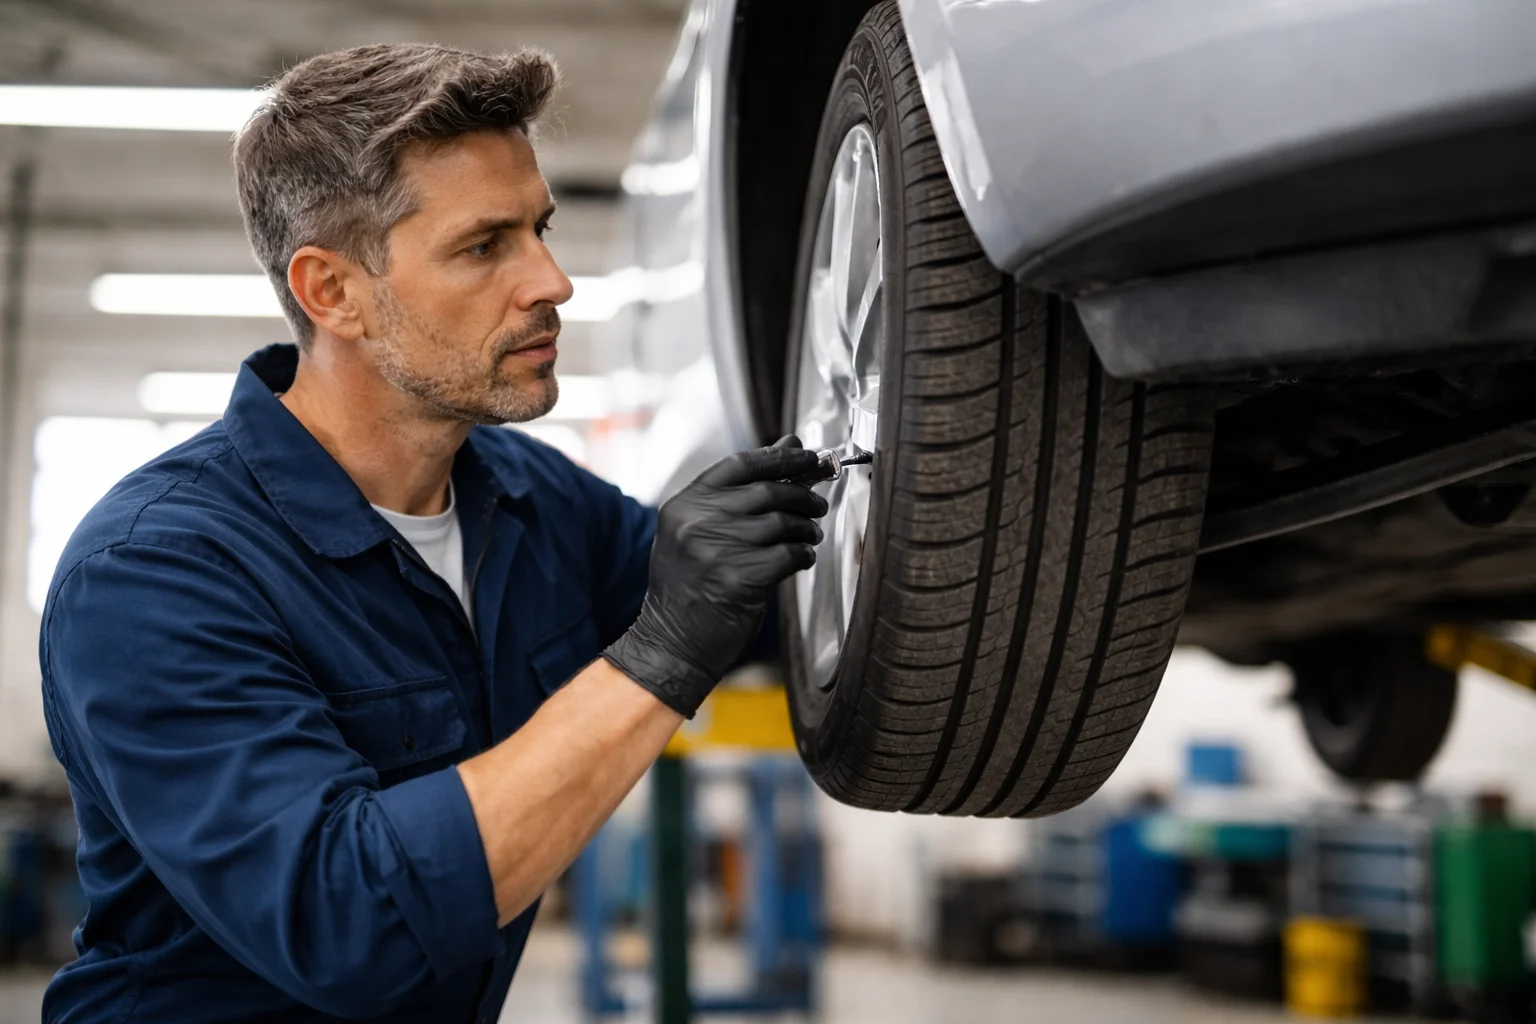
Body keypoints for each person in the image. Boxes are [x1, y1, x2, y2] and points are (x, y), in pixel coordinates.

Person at [39, 43, 826, 1023]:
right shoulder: (152, 576)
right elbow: (352, 921)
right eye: (484, 245)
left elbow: (758, 609)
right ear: (333, 293)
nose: (552, 280)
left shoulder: (531, 501)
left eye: (539, 228)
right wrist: (661, 651)